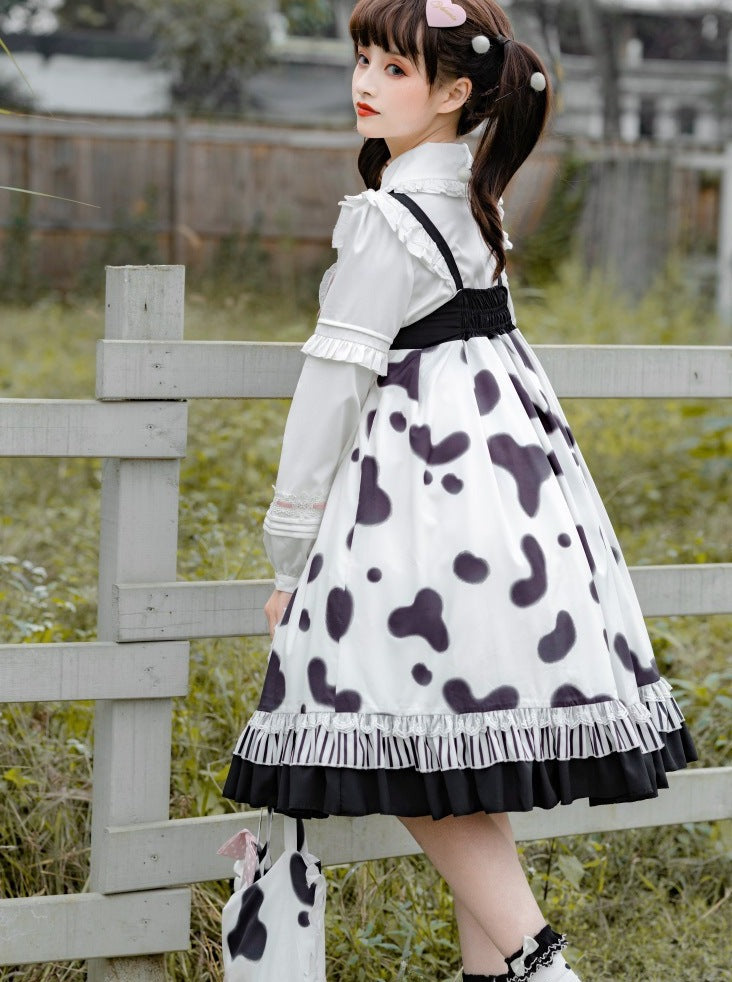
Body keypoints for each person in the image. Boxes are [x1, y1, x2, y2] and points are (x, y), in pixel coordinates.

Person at [222, 1, 697, 978]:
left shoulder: (389, 219)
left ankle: (537, 958)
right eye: (363, 59)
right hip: (515, 507)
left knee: (388, 739)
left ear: (453, 93)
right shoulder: (476, 204)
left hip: (416, 512)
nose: (364, 82)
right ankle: (510, 968)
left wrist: (288, 553)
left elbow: (333, 386)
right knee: (458, 754)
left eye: (393, 69)